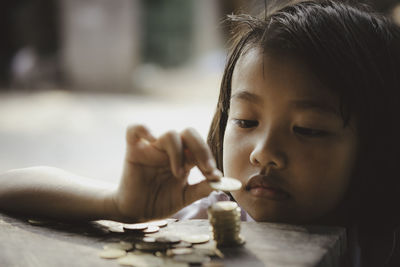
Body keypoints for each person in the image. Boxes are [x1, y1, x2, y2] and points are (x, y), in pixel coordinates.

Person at [1, 0, 400, 266]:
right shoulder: (205, 215)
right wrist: (117, 202)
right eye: (245, 121)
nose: (264, 153)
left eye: (307, 129)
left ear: (376, 145)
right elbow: (8, 187)